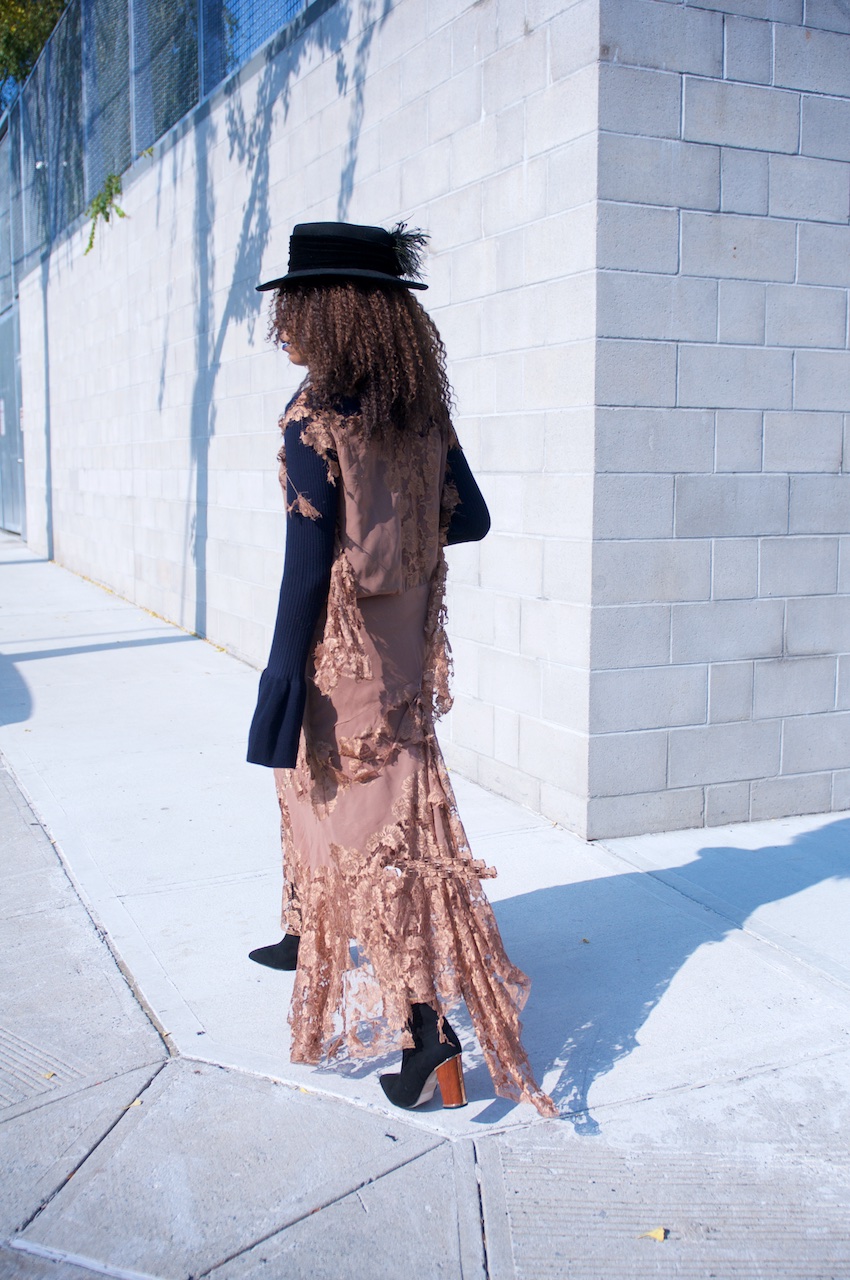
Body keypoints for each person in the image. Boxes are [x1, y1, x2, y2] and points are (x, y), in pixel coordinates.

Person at [246, 221, 556, 1118]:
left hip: (341, 656)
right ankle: (308, 931)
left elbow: (306, 573)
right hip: (406, 649)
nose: (288, 331)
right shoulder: (421, 414)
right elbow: (474, 519)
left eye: (298, 312)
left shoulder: (314, 424)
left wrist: (279, 682)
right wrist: (402, 527)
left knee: (364, 833)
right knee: (364, 817)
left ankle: (432, 1043)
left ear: (331, 314)